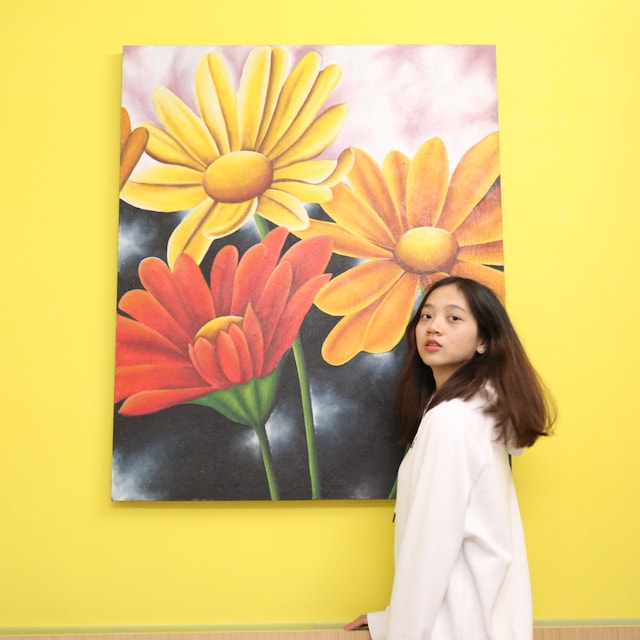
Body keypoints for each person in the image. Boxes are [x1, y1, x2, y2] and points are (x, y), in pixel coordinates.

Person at [345, 276, 556, 640]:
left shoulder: (452, 420)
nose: (434, 327)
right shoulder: (473, 413)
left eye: (453, 318)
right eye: (426, 316)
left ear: (483, 341)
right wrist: (389, 619)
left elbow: (430, 544)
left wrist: (400, 631)